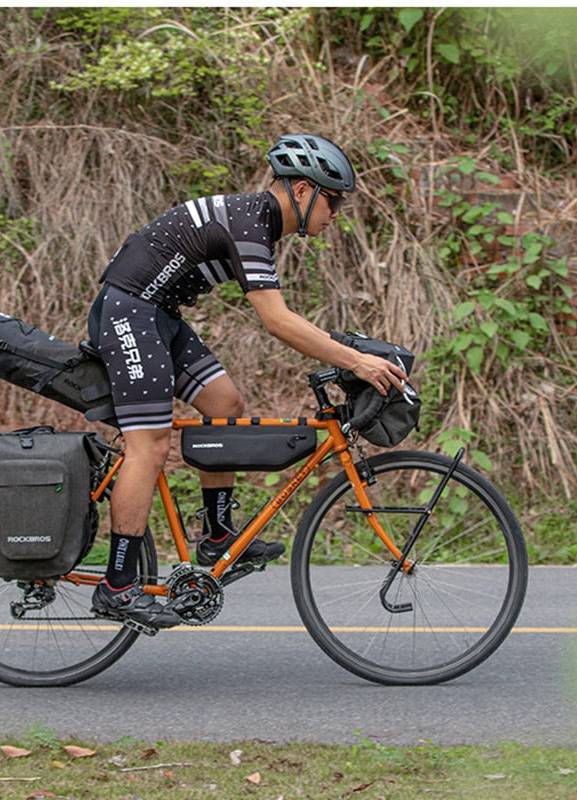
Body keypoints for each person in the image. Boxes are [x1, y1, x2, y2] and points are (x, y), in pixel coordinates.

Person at [89, 133, 408, 629]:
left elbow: (285, 320)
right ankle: (117, 586)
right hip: (129, 312)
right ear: (302, 190)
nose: (337, 212)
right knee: (148, 447)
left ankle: (217, 536)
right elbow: (277, 321)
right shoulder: (248, 223)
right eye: (334, 200)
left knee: (224, 403)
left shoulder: (257, 224)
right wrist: (357, 362)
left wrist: (349, 352)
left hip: (157, 315)